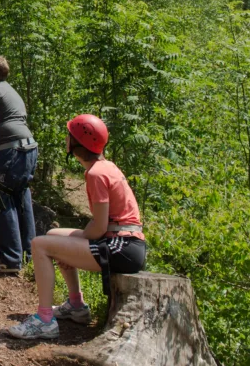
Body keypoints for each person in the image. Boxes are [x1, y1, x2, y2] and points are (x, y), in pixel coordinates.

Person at [8, 114, 146, 340]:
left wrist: (74, 242)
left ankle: (44, 321)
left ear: (77, 142)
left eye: (69, 135)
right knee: (53, 235)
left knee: (40, 245)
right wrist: (69, 243)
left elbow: (100, 226)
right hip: (124, 242)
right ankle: (76, 305)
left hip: (122, 247)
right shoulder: (104, 167)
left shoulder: (96, 174)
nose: (65, 138)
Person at [0, 55, 37, 275]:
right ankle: (30, 255)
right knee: (21, 197)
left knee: (0, 198)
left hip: (12, 151)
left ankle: (10, 258)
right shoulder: (10, 90)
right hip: (29, 148)